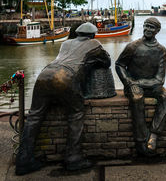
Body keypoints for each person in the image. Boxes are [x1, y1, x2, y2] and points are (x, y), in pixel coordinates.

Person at [16, 22, 111, 175]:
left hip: (44, 74)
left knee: (34, 117)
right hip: (66, 77)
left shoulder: (66, 43)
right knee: (76, 113)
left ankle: (23, 160)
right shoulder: (95, 44)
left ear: (78, 33)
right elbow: (107, 62)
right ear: (92, 34)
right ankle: (73, 158)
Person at [115, 17, 166, 156]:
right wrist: (129, 82)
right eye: (146, 26)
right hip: (133, 85)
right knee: (137, 97)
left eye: (151, 27)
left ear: (157, 30)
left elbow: (160, 79)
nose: (148, 29)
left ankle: (153, 134)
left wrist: (138, 82)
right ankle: (141, 140)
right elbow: (119, 65)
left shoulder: (161, 50)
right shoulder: (133, 46)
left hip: (151, 85)